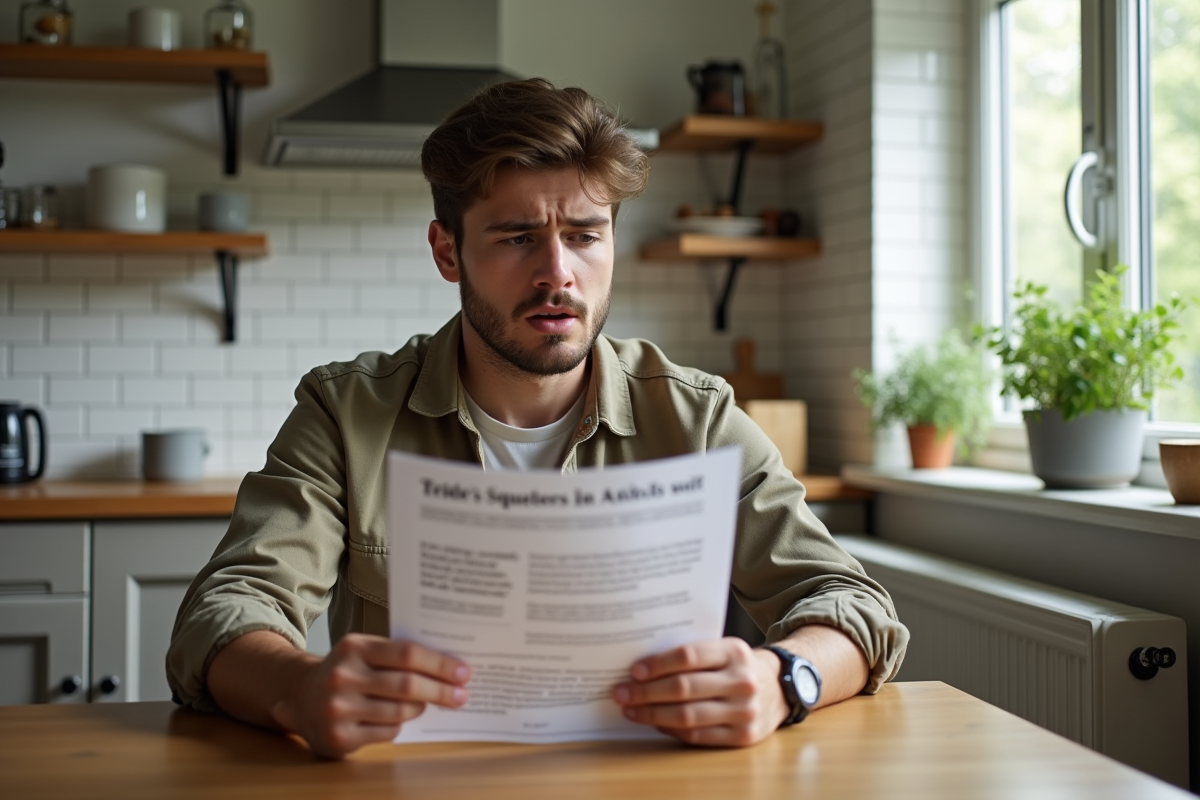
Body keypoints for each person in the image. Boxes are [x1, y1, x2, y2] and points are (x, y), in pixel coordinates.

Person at [167, 78, 908, 758]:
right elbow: (224, 610)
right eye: (518, 237)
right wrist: (298, 687)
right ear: (448, 252)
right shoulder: (346, 412)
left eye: (584, 235)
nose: (558, 272)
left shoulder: (696, 418)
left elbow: (852, 605)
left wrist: (783, 679)